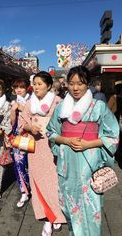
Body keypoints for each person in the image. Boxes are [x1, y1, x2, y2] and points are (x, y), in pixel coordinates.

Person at [46, 65, 119, 236]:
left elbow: (113, 134)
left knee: (90, 204)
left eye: (80, 83)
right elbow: (50, 131)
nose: (75, 88)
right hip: (68, 162)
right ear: (67, 84)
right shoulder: (61, 107)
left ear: (88, 84)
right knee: (69, 204)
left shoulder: (98, 106)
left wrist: (88, 144)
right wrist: (65, 140)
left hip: (90, 161)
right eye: (71, 83)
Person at [18, 71, 66, 236]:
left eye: (40, 84)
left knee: (54, 181)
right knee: (38, 180)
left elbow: (66, 124)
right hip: (35, 146)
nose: (36, 87)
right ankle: (47, 217)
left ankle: (57, 214)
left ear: (49, 86)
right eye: (35, 84)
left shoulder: (59, 102)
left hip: (53, 146)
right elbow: (21, 122)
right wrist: (29, 127)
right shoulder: (30, 103)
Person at [10, 78, 31, 208]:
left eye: (22, 87)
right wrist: (13, 110)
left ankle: (35, 187)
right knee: (19, 163)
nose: (19, 89)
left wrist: (22, 108)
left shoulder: (32, 101)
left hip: (32, 135)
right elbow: (11, 122)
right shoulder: (13, 102)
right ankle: (24, 190)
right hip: (19, 136)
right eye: (16, 87)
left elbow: (34, 117)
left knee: (33, 164)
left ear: (27, 88)